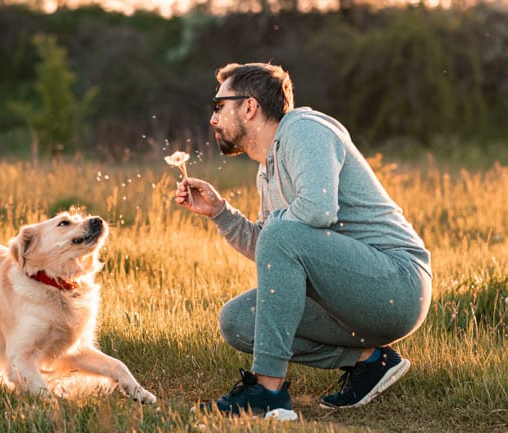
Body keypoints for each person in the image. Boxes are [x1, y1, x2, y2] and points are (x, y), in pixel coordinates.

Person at [175, 62, 432, 420]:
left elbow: (316, 211)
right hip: (349, 298)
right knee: (237, 320)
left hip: (398, 286)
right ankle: (370, 361)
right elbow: (274, 248)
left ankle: (267, 392)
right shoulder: (267, 168)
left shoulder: (304, 131)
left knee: (282, 232)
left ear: (249, 107)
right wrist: (221, 213)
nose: (213, 119)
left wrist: (276, 232)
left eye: (219, 106)